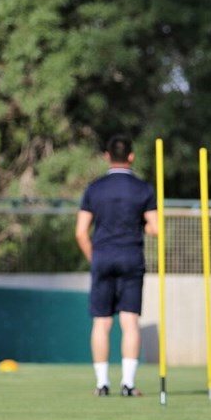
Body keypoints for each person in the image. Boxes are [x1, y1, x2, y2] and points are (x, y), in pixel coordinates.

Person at [75, 134, 158, 397]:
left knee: (101, 322)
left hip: (102, 257)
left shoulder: (95, 189)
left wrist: (94, 257)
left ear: (107, 156)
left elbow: (80, 232)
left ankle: (101, 384)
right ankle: (128, 384)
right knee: (129, 321)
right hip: (131, 257)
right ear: (131, 156)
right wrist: (137, 226)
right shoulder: (143, 188)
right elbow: (155, 228)